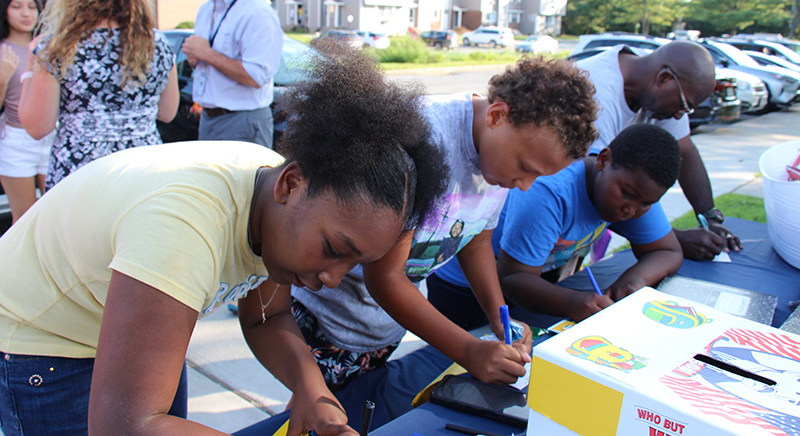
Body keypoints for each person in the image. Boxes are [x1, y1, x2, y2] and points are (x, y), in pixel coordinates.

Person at [0, 41, 449, 436]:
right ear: (291, 184)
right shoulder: (185, 226)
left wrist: (313, 392)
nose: (332, 278)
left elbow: (266, 317)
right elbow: (125, 424)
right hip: (41, 337)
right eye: (333, 250)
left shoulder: (273, 201)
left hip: (116, 321)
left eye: (353, 265)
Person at [291, 56, 599, 391]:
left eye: (538, 176)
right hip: (328, 315)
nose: (525, 185)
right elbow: (384, 277)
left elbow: (477, 239)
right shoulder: (422, 138)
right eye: (525, 167)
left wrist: (499, 316)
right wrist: (469, 351)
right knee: (315, 410)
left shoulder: (500, 161)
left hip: (383, 326)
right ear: (498, 115)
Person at [430, 124, 683, 326]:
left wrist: (635, 280)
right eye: (626, 193)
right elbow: (514, 277)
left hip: (536, 277)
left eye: (646, 203)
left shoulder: (637, 188)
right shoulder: (550, 193)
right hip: (466, 287)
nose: (632, 210)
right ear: (604, 160)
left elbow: (668, 251)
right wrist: (572, 302)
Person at [19, 0, 179, 191]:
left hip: (82, 173)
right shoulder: (156, 42)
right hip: (142, 171)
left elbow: (37, 127)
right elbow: (167, 113)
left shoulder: (58, 47)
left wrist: (30, 65)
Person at [574, 41, 740, 261]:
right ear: (663, 79)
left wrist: (710, 218)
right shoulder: (595, 94)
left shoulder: (655, 74)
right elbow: (600, 193)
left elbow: (685, 151)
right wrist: (671, 238)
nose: (680, 116)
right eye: (683, 105)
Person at [182, 0, 283, 147]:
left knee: (245, 182)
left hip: (243, 122)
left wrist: (206, 54)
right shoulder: (205, 9)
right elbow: (207, 60)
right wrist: (195, 59)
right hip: (208, 119)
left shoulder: (256, 12)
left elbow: (256, 77)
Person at [0, 0, 54, 223]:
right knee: (24, 218)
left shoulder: (47, 46)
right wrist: (3, 78)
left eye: (32, 7)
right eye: (17, 6)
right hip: (15, 142)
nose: (26, 13)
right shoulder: (3, 51)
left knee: (55, 213)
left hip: (52, 138)